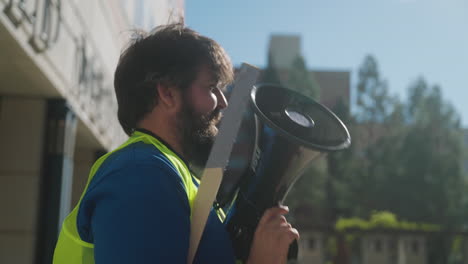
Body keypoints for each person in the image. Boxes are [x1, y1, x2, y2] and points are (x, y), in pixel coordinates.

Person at [53, 23, 299, 264]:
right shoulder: (142, 174)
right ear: (168, 94)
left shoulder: (171, 176)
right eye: (211, 87)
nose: (223, 103)